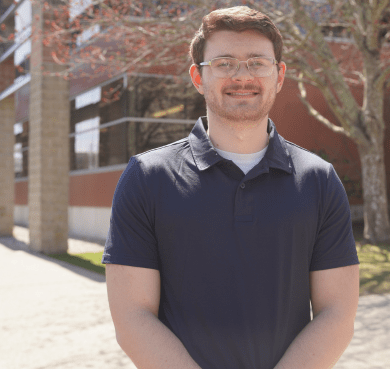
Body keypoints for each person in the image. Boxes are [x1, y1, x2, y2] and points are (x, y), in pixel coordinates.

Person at [103, 6, 359, 369]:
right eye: (224, 63)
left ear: (279, 75)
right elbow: (132, 318)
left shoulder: (319, 181)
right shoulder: (146, 178)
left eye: (257, 62)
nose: (243, 75)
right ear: (198, 76)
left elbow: (337, 314)